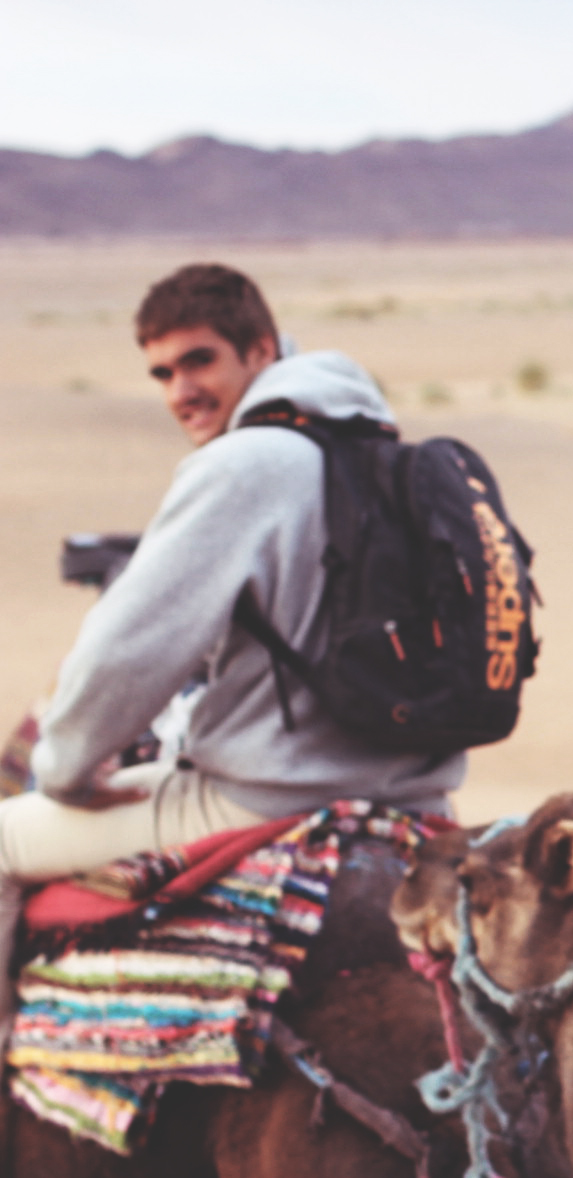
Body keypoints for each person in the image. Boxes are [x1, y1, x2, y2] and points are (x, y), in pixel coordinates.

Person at [0, 263, 464, 1041]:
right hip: (420, 797)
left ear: (261, 349)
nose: (180, 389)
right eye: (161, 371)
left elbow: (123, 654)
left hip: (266, 795)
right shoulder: (394, 462)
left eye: (199, 360)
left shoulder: (245, 464)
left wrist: (66, 771)